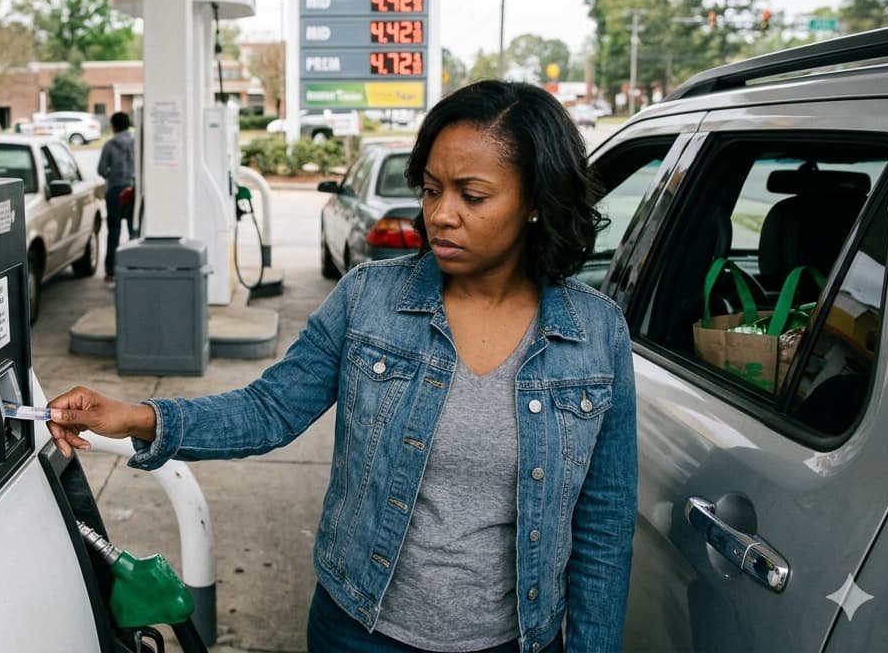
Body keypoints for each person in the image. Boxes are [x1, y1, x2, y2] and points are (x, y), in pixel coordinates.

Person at [48, 81, 636, 653]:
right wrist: (134, 416)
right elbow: (269, 410)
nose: (441, 215)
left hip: (516, 640)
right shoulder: (369, 300)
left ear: (535, 202)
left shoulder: (594, 335)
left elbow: (604, 526)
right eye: (431, 190)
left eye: (471, 196)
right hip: (360, 629)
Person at [97, 111, 136, 281]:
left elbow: (101, 170)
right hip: (134, 189)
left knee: (114, 230)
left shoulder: (110, 145)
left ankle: (111, 270)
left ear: (113, 126)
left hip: (114, 190)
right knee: (134, 229)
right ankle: (134, 265)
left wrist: (112, 175)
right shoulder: (136, 142)